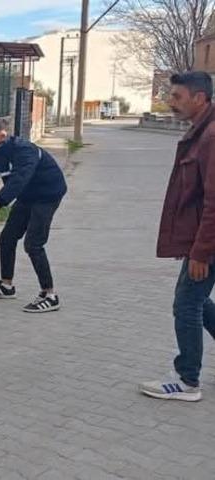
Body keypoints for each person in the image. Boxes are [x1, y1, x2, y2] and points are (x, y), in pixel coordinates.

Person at [141, 71, 215, 402]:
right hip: (204, 237)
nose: (171, 103)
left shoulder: (211, 136)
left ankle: (187, 381)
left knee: (186, 303)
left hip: (209, 241)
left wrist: (200, 252)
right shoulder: (203, 132)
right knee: (198, 300)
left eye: (177, 97)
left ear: (200, 98)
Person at [0, 117, 67, 313]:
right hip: (27, 197)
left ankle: (50, 295)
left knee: (33, 244)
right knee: (7, 238)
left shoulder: (25, 151)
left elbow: (19, 179)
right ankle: (6, 286)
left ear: (2, 137)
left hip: (47, 196)